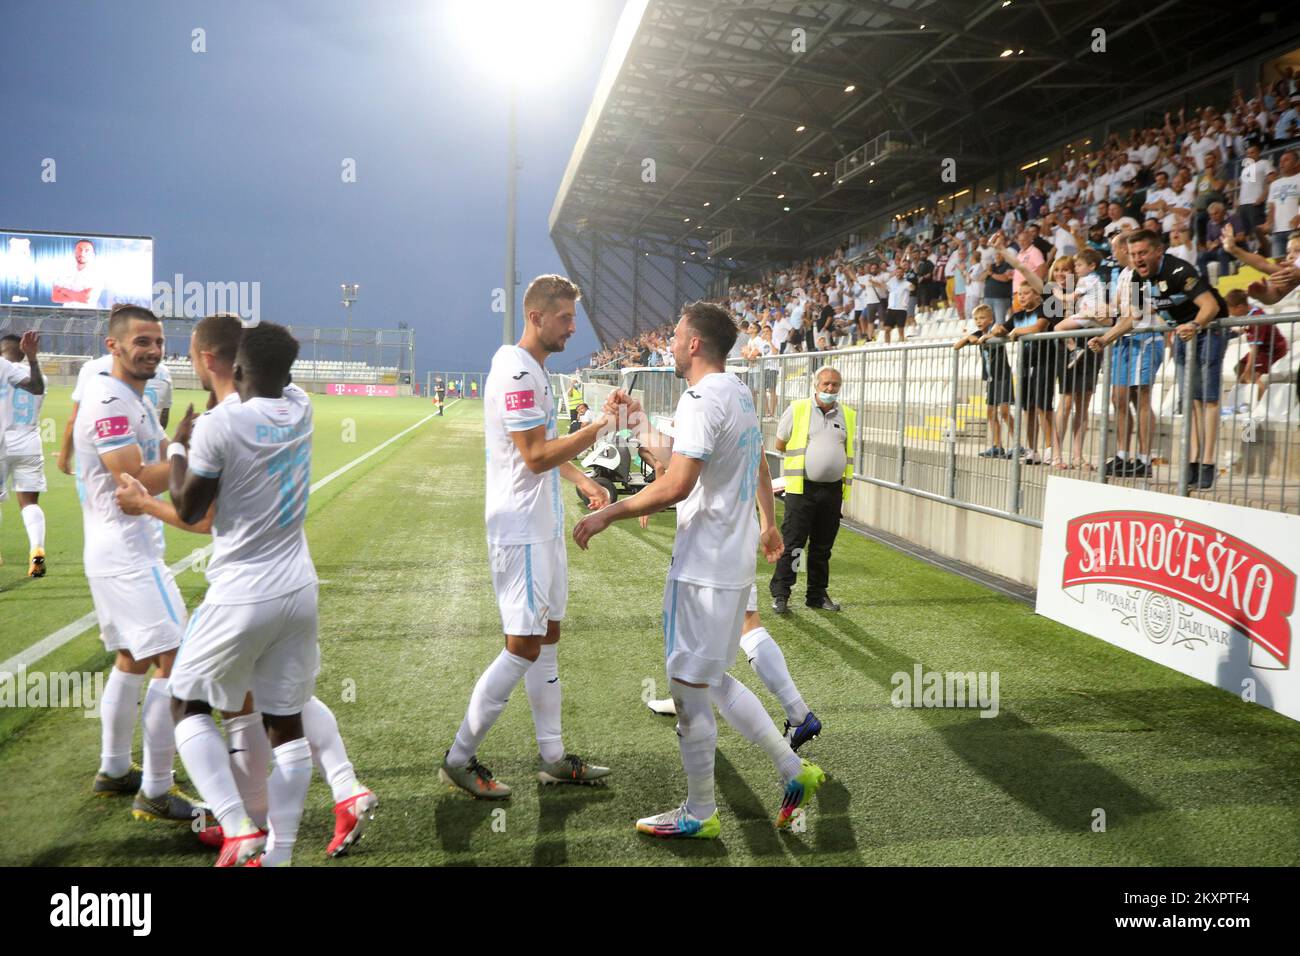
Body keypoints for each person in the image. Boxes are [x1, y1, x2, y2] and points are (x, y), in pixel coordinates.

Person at [113, 313, 377, 861]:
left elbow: (189, 507)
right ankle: (279, 853)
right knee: (288, 727)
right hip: (299, 590)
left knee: (184, 705)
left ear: (233, 365)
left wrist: (181, 446)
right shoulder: (301, 407)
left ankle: (237, 826)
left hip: (241, 592)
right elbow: (271, 379)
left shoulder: (219, 427)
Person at [573, 301, 824, 838]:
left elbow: (676, 483)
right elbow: (712, 459)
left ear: (693, 344)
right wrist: (634, 420)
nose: (669, 341)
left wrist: (609, 513)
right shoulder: (736, 391)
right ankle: (794, 770)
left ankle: (700, 812)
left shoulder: (699, 398)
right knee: (711, 681)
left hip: (703, 569)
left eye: (677, 334)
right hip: (730, 568)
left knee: (689, 688)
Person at [440, 275, 613, 799]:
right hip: (521, 529)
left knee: (548, 639)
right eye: (564, 318)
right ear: (536, 316)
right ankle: (460, 756)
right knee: (522, 646)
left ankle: (554, 758)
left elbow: (539, 450)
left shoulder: (534, 369)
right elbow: (535, 455)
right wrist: (596, 429)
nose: (572, 327)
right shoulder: (517, 369)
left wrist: (582, 478)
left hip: (541, 525)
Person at [72, 306, 204, 825]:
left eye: (158, 341)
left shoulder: (135, 396)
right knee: (179, 662)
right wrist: (187, 457)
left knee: (131, 658)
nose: (153, 349)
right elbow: (131, 480)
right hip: (127, 556)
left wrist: (176, 443)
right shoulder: (108, 398)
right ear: (114, 346)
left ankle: (113, 768)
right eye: (141, 342)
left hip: (122, 552)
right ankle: (155, 788)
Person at [1092, 229, 1229, 490]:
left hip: (1207, 329)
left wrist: (1196, 325)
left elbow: (1210, 306)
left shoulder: (1179, 271)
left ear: (1158, 252)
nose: (1137, 259)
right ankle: (1192, 462)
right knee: (1190, 400)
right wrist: (1106, 338)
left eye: (1142, 253)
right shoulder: (1134, 276)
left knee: (1207, 399)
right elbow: (1133, 317)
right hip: (1181, 333)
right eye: (1133, 255)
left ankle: (1208, 464)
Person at [768, 365, 854, 613]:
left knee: (822, 547)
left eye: (835, 385)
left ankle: (816, 594)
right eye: (826, 384)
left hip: (832, 491)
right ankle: (782, 593)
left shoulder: (846, 415)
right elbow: (780, 443)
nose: (830, 389)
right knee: (794, 544)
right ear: (815, 385)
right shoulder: (798, 409)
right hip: (801, 489)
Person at [0, 332, 47, 576]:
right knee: (29, 503)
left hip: (3, 442)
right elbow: (36, 389)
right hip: (29, 442)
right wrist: (33, 358)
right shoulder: (39, 376)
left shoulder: (3, 370)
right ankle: (37, 549)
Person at [955, 304, 1013, 459]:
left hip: (1003, 376)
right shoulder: (978, 333)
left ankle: (1017, 445)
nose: (979, 321)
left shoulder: (996, 330)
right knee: (991, 412)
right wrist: (968, 337)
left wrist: (986, 337)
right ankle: (997, 446)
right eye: (976, 319)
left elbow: (1000, 331)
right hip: (991, 378)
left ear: (991, 319)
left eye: (982, 318)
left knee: (1005, 412)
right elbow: (956, 346)